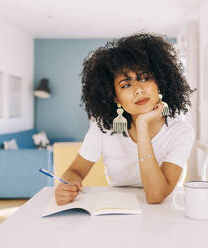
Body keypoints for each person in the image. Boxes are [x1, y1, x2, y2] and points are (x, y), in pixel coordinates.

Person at [55, 32, 195, 205]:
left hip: (167, 214)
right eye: (126, 84)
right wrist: (66, 186)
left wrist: (142, 125)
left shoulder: (181, 131)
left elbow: (156, 196)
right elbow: (75, 171)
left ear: (160, 82)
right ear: (115, 98)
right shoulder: (103, 128)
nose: (138, 89)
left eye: (145, 78)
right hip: (118, 209)